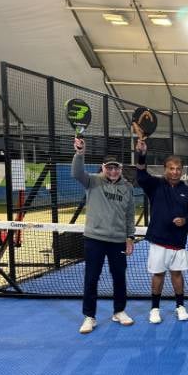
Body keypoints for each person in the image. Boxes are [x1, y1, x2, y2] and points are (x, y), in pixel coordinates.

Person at [72, 138, 136, 334]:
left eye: (116, 168)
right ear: (103, 167)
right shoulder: (92, 181)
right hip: (94, 240)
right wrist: (79, 153)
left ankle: (119, 311)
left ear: (121, 168)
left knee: (119, 278)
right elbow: (76, 172)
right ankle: (89, 317)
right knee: (91, 278)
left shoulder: (128, 188)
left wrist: (130, 237)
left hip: (118, 241)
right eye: (109, 168)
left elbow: (129, 215)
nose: (113, 171)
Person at [135, 140, 188, 323]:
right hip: (159, 241)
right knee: (158, 275)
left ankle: (180, 306)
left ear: (182, 171)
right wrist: (141, 154)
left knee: (177, 275)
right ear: (165, 169)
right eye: (171, 168)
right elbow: (140, 175)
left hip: (178, 242)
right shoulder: (155, 185)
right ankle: (155, 308)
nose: (175, 171)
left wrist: (185, 220)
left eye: (178, 169)